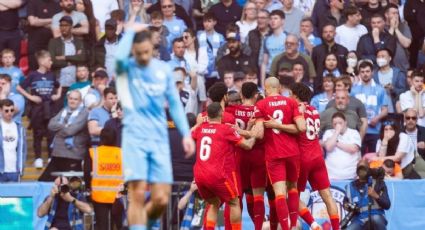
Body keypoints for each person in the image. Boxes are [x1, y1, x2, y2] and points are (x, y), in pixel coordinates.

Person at [115, 24, 195, 230]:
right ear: (134, 50)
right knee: (138, 193)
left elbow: (175, 103)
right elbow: (117, 59)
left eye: (146, 51)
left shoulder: (163, 70)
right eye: (139, 52)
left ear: (152, 48)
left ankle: (146, 223)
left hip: (159, 138)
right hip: (134, 138)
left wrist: (186, 134)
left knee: (161, 198)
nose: (143, 56)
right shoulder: (127, 68)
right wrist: (130, 31)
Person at [253, 77, 306, 230]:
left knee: (280, 193)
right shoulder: (291, 102)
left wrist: (250, 127)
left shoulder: (261, 104)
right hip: (292, 153)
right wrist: (282, 126)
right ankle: (294, 225)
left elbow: (259, 135)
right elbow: (301, 128)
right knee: (293, 189)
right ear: (280, 88)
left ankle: (285, 227)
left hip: (274, 154)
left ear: (265, 88)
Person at [192, 102, 255, 230]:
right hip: (216, 175)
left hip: (199, 175)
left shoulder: (200, 129)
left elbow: (190, 135)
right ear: (221, 113)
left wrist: (198, 123)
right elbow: (247, 145)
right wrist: (254, 133)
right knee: (234, 202)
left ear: (207, 115)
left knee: (213, 203)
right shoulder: (226, 129)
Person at [290, 83, 340, 230]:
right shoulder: (314, 110)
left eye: (291, 94)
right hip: (317, 156)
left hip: (302, 158)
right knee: (328, 196)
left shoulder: (297, 110)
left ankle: (312, 223)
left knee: (291, 196)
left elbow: (295, 129)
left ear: (296, 96)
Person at [226, 82, 266, 230]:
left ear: (241, 95)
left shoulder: (231, 111)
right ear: (256, 95)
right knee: (258, 197)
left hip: (239, 156)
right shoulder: (261, 111)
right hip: (258, 157)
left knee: (237, 199)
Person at [16, 50, 62, 169]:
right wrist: (31, 97)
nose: (51, 62)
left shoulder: (52, 75)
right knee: (38, 133)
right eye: (49, 60)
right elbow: (19, 87)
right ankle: (38, 158)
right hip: (37, 109)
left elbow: (59, 85)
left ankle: (51, 157)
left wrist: (57, 95)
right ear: (41, 61)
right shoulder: (33, 75)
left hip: (50, 108)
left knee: (51, 133)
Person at [38, 91, 89, 182]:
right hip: (57, 154)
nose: (72, 101)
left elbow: (71, 130)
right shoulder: (64, 110)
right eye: (70, 98)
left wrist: (59, 129)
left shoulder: (84, 112)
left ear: (81, 101)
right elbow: (50, 125)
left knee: (72, 187)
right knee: (43, 182)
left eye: (75, 99)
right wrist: (64, 126)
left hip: (73, 155)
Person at [48, 15, 87, 113]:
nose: (63, 28)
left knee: (74, 111)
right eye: (61, 25)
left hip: (74, 83)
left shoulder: (78, 42)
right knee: (57, 111)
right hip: (59, 83)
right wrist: (71, 61)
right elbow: (52, 62)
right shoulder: (53, 42)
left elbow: (82, 58)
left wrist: (64, 57)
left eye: (66, 25)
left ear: (71, 27)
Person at [88, 127, 123, 230]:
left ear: (101, 138)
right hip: (119, 196)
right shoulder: (123, 153)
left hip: (99, 196)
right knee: (121, 225)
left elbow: (86, 174)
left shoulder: (93, 152)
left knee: (101, 226)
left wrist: (88, 190)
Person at [351, 61, 389, 154]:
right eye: (362, 72)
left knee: (374, 158)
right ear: (359, 73)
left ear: (372, 72)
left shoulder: (380, 89)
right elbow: (350, 109)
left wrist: (377, 118)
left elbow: (385, 110)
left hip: (375, 130)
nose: (365, 74)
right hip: (358, 130)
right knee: (359, 158)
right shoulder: (353, 90)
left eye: (367, 71)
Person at [344, 161, 390, 230]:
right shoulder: (350, 186)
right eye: (360, 168)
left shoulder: (378, 183)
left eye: (364, 168)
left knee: (375, 219)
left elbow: (387, 205)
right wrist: (346, 205)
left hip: (376, 215)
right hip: (359, 219)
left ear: (369, 169)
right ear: (356, 170)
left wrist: (375, 195)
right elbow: (345, 203)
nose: (362, 171)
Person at [323, 112, 362, 180]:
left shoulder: (354, 133)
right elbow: (328, 147)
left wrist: (336, 142)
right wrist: (337, 132)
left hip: (350, 175)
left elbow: (353, 149)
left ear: (345, 122)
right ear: (332, 124)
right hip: (331, 175)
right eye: (335, 124)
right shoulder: (328, 132)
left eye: (340, 123)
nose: (338, 125)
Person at [312, 23, 348, 92]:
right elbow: (314, 68)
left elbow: (346, 69)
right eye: (325, 32)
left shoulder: (343, 50)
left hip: (340, 86)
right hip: (320, 86)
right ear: (322, 34)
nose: (328, 34)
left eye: (330, 32)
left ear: (335, 33)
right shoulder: (316, 50)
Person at [27, 0, 61, 70]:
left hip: (51, 44)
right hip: (35, 44)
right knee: (35, 70)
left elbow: (59, 24)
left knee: (50, 70)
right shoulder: (33, 2)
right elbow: (32, 22)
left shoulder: (57, 5)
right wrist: (53, 20)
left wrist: (39, 21)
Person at [372, 48, 407, 113]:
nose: (380, 59)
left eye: (383, 56)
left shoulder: (398, 73)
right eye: (378, 57)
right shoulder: (373, 74)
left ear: (390, 58)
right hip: (377, 110)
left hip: (394, 109)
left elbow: (404, 91)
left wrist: (393, 89)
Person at [0, 99, 26, 183]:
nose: (9, 113)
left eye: (12, 110)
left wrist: (21, 168)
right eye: (6, 111)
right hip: (1, 170)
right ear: (0, 110)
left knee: (15, 196)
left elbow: (23, 150)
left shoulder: (19, 127)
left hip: (15, 170)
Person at [197, 12, 225, 89]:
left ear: (214, 22)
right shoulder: (198, 36)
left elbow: (223, 55)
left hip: (216, 72)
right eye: (205, 21)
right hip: (202, 72)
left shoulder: (220, 37)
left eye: (209, 21)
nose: (206, 24)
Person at [183, 28, 209, 107]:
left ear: (193, 38)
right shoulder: (182, 52)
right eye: (183, 38)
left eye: (186, 37)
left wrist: (190, 70)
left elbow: (202, 69)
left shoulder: (202, 51)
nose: (184, 40)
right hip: (186, 84)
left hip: (200, 83)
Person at [261, 10, 287, 85]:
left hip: (283, 74)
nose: (273, 21)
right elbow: (264, 63)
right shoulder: (267, 39)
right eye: (271, 19)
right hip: (270, 74)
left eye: (275, 18)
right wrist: (263, 84)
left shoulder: (288, 37)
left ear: (282, 21)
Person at [385, 3, 411, 72]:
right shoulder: (382, 27)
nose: (396, 15)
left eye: (397, 13)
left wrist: (396, 29)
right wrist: (392, 28)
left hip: (403, 66)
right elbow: (386, 44)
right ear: (386, 15)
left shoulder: (404, 26)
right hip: (387, 66)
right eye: (393, 13)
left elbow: (406, 44)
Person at [246, 9, 270, 82]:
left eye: (263, 18)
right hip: (254, 73)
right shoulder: (251, 34)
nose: (260, 20)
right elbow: (246, 53)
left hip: (269, 72)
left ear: (269, 20)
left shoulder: (273, 34)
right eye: (258, 18)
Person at [0, 0, 23, 65]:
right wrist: (10, 5)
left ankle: (14, 75)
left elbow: (16, 4)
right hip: (0, 32)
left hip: (14, 32)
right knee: (1, 60)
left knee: (15, 59)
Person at [404, 0, 425, 68]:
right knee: (414, 61)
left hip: (423, 37)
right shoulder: (410, 2)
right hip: (414, 38)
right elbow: (407, 17)